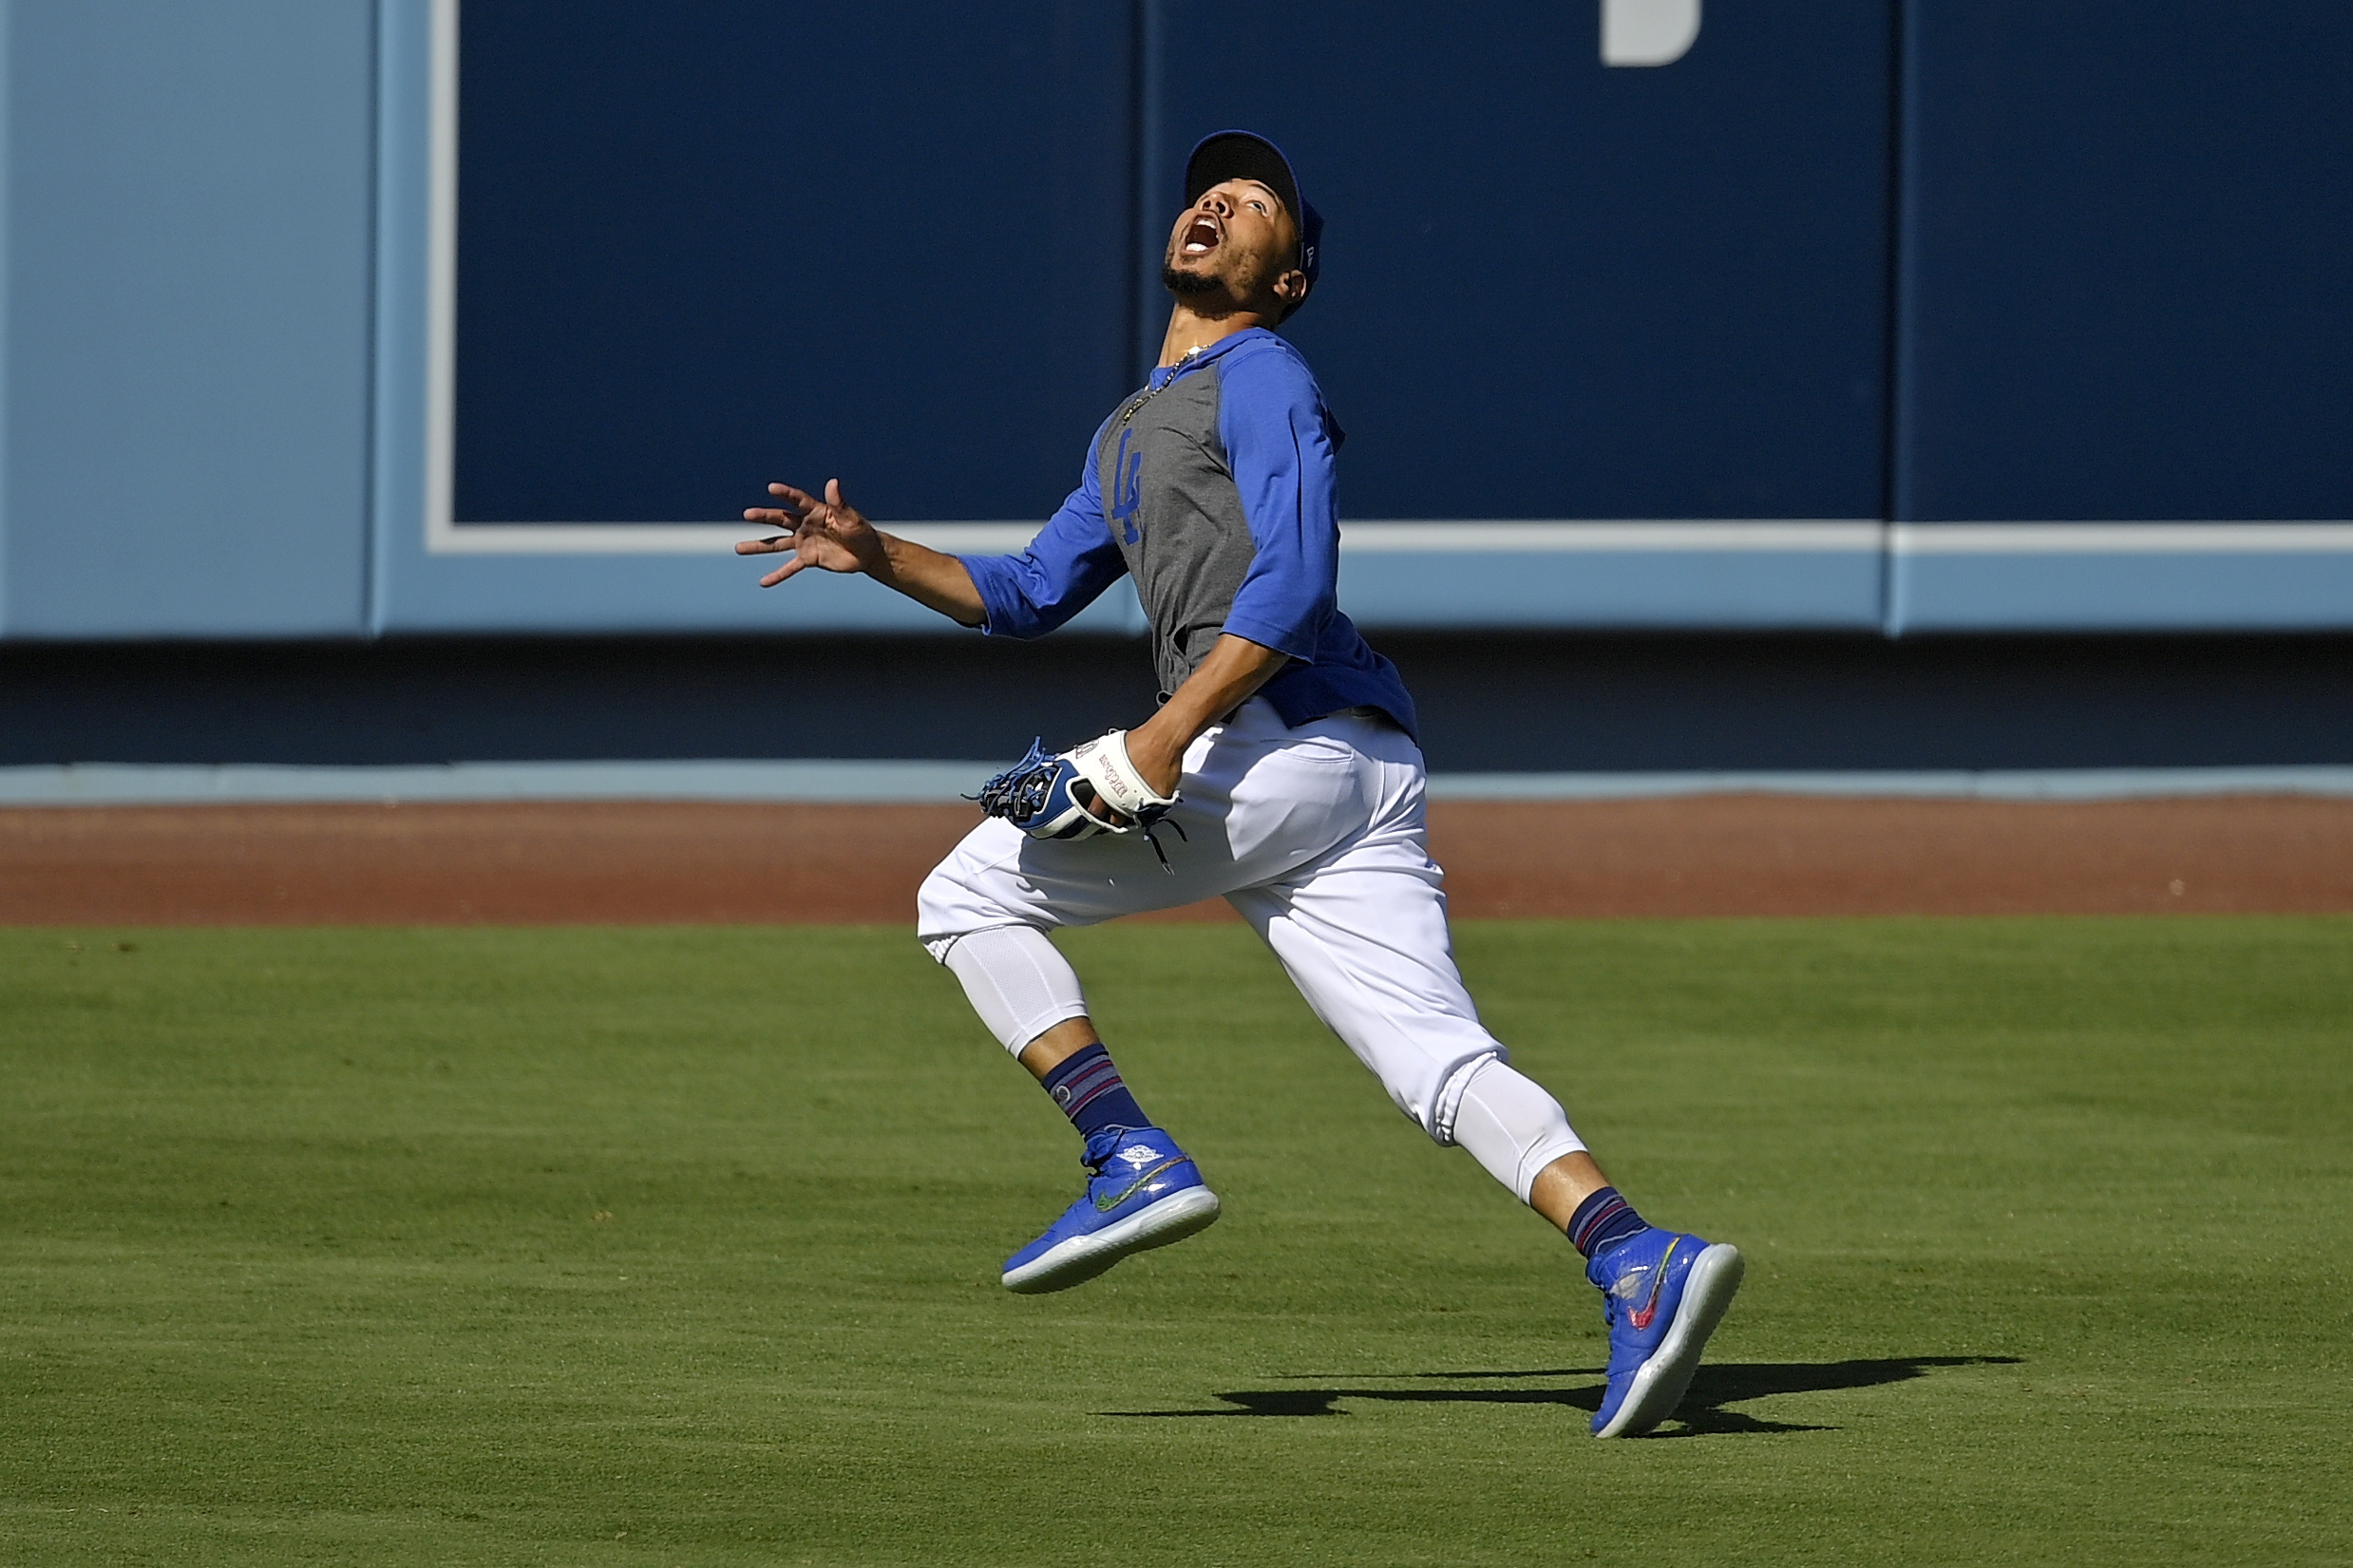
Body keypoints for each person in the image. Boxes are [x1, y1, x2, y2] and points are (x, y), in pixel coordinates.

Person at [737, 131, 1741, 1438]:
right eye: (1211, 187)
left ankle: (1126, 1153)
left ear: (1289, 278)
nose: (1217, 199)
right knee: (1434, 1056)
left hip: (1277, 740)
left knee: (962, 896)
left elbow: (1293, 577)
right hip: (1351, 767)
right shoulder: (1128, 432)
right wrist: (874, 554)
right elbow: (1025, 592)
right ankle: (1630, 1254)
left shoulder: (1261, 373)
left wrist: (1163, 740)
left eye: (1255, 201)